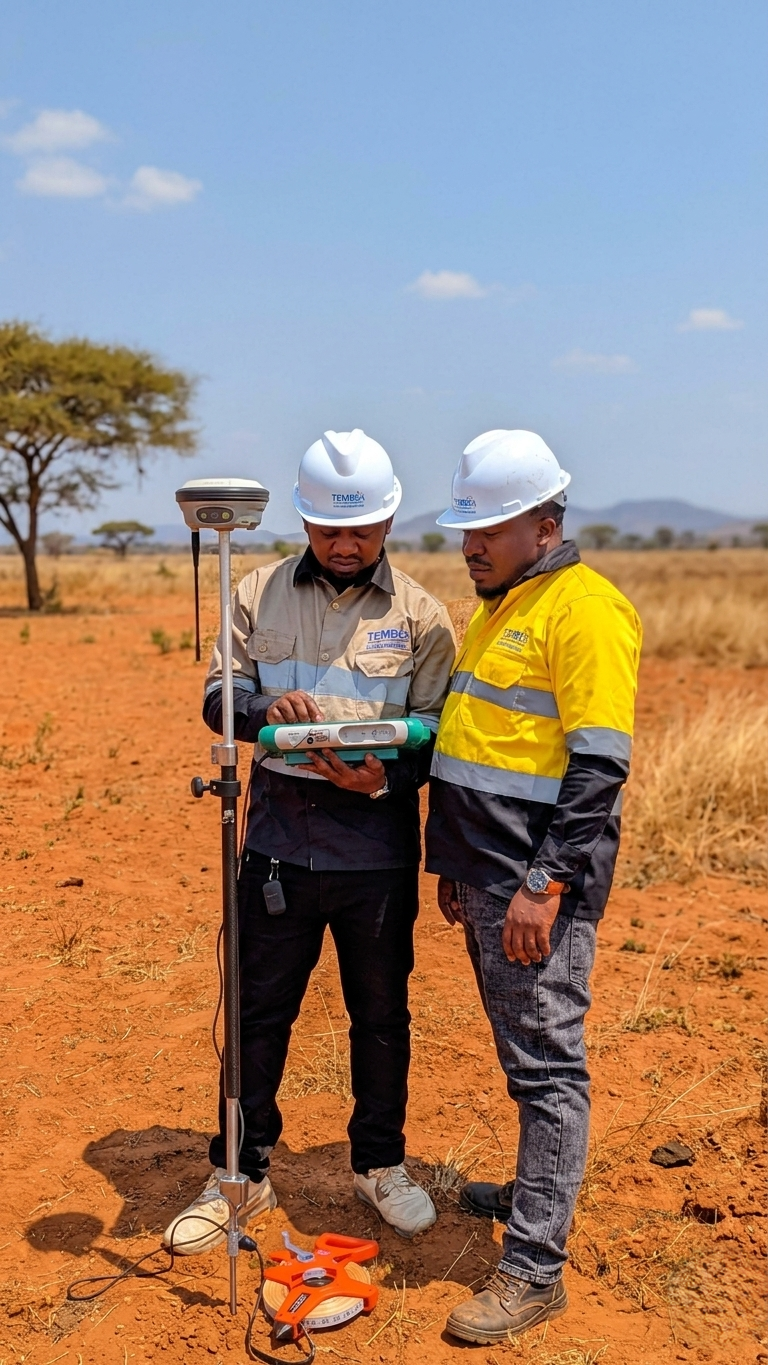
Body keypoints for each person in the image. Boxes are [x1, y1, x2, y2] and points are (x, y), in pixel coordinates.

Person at [165, 428, 455, 1252]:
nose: (344, 543)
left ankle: (379, 1164)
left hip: (379, 851)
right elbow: (221, 694)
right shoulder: (255, 592)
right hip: (278, 848)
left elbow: (437, 730)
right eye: (329, 528)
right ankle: (240, 1172)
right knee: (260, 1013)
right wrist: (263, 714)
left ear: (390, 520)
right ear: (302, 522)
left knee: (381, 1015)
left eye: (360, 529)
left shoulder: (423, 617)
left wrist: (388, 778)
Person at [425, 429, 642, 1345]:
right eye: (467, 529)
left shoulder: (584, 609)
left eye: (489, 529)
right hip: (487, 875)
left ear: (545, 524)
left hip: (533, 889)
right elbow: (489, 745)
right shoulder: (507, 599)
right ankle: (533, 1189)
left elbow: (598, 766)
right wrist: (456, 863)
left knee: (549, 1070)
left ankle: (535, 1263)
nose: (470, 545)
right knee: (525, 1058)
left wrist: (543, 884)